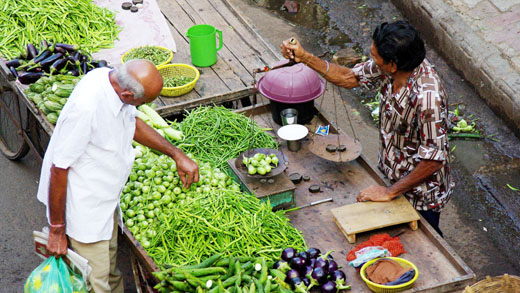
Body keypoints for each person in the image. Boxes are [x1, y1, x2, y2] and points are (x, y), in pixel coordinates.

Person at [36, 59, 199, 292]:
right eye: (143, 102)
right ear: (127, 94)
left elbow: (131, 121)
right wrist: (57, 229)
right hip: (85, 208)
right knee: (96, 281)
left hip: (106, 197)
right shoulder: (87, 108)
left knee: (109, 269)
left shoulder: (109, 78)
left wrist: (175, 153)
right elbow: (59, 169)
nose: (141, 107)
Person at [280, 21, 454, 236]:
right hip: (394, 174)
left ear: (392, 64)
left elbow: (434, 159)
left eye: (374, 56)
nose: (371, 59)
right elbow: (349, 77)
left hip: (421, 193)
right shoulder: (392, 67)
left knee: (426, 237)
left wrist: (390, 192)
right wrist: (305, 57)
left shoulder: (428, 98)